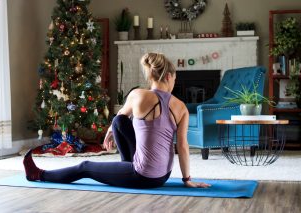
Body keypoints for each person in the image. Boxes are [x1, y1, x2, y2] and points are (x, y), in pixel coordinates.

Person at [23, 53, 211, 189]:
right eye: (174, 79)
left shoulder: (137, 95)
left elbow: (120, 113)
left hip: (143, 177)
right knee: (120, 121)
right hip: (163, 175)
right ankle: (125, 168)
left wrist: (110, 131)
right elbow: (183, 147)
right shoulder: (181, 107)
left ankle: (39, 175)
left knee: (85, 167)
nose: (174, 83)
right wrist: (187, 179)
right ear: (169, 76)